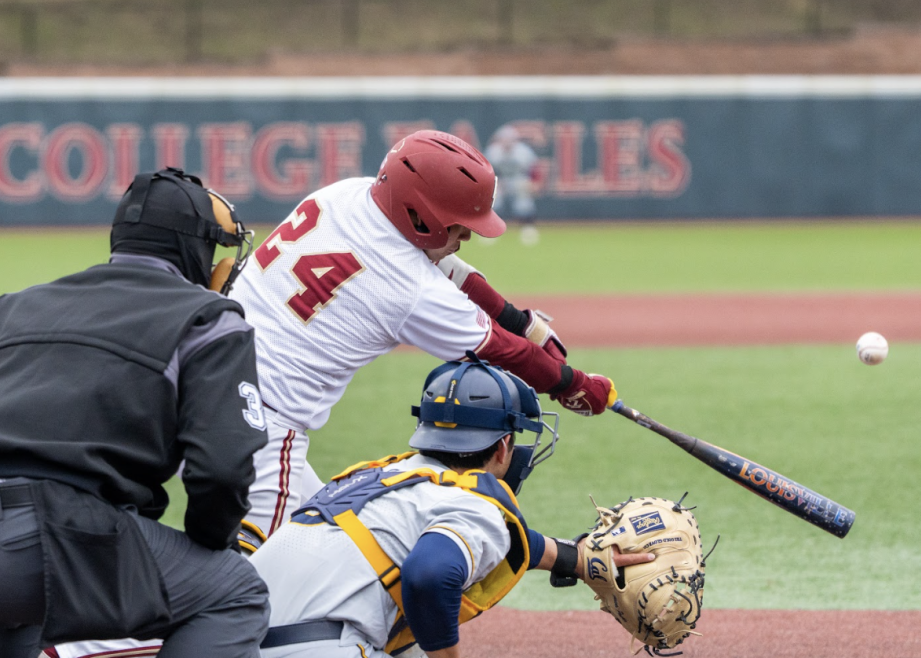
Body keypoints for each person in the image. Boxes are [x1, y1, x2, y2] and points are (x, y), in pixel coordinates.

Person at [51, 129, 617, 658]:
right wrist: (576, 387)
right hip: (257, 426)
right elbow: (501, 352)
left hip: (197, 378)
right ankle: (73, 649)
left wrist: (521, 318)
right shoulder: (408, 290)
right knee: (239, 600)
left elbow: (455, 273)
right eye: (458, 223)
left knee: (330, 550)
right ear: (419, 218)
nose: (466, 233)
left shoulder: (349, 197)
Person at [0, 168, 270, 658]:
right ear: (193, 248)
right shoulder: (207, 317)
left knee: (20, 616)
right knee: (234, 591)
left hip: (26, 542)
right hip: (63, 533)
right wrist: (209, 543)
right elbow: (223, 468)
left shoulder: (13, 306)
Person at [251, 360, 653, 657]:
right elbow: (429, 575)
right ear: (501, 448)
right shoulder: (475, 505)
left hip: (224, 638)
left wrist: (576, 559)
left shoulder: (385, 476)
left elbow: (508, 541)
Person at [484, 125, 541, 246]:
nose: (507, 142)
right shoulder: (493, 151)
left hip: (518, 179)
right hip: (500, 180)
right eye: (504, 139)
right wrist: (493, 184)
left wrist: (534, 183)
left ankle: (528, 228)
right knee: (494, 199)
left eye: (510, 139)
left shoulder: (523, 151)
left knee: (523, 197)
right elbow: (486, 171)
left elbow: (534, 169)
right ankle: (489, 231)